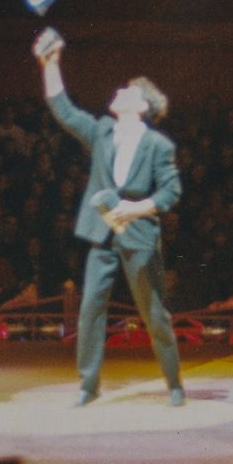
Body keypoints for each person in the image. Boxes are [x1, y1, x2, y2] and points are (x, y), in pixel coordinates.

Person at [33, 29, 185, 407]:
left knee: (153, 314)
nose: (119, 90)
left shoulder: (158, 145)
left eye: (128, 90)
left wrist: (136, 208)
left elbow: (171, 192)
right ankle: (88, 385)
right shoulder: (102, 131)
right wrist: (50, 64)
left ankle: (174, 383)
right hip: (102, 234)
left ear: (142, 106)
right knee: (90, 308)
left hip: (138, 234)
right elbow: (65, 111)